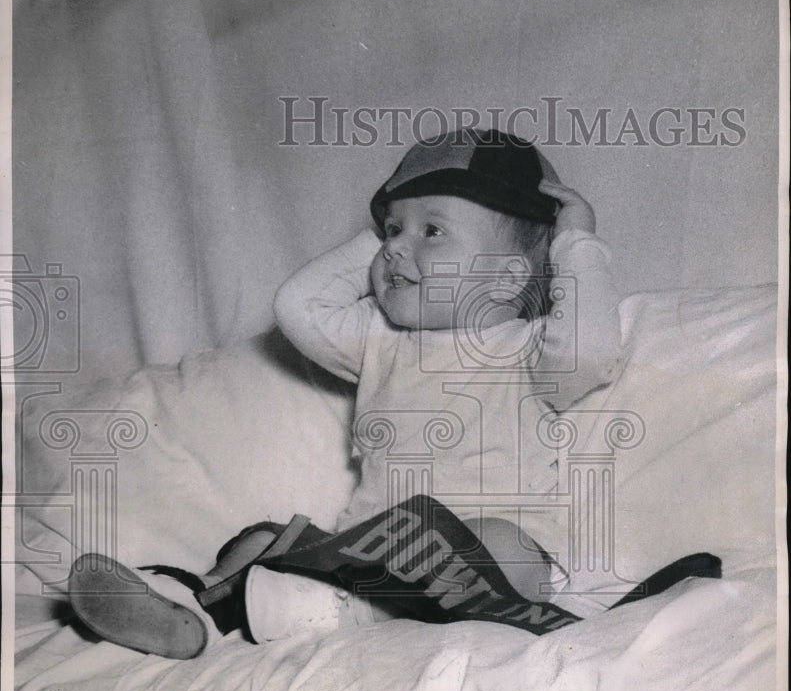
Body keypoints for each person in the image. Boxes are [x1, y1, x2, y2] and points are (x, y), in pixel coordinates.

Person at [68, 128, 622, 659]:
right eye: (392, 231)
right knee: (262, 540)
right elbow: (297, 306)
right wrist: (390, 237)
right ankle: (189, 605)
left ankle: (336, 611)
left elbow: (590, 353)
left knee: (509, 547)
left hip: (485, 560)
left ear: (506, 279)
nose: (396, 250)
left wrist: (575, 244)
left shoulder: (532, 349)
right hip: (367, 552)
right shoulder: (381, 343)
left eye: (432, 231)